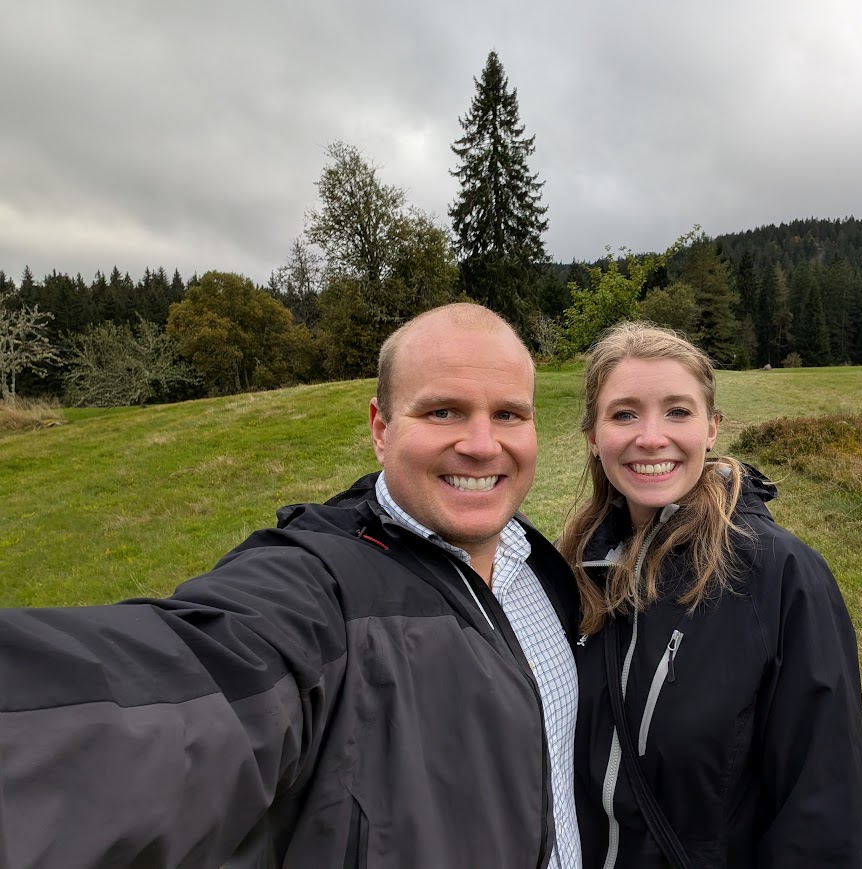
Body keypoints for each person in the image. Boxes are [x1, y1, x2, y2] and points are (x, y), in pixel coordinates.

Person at [0, 303, 582, 869]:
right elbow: (192, 685)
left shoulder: (538, 562)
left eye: (508, 414)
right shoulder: (321, 588)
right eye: (443, 413)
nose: (483, 445)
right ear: (381, 428)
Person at [557, 322, 862, 868]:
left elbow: (821, 812)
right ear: (592, 434)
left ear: (711, 428)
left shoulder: (779, 576)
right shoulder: (573, 568)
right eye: (624, 413)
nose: (651, 437)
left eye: (678, 411)